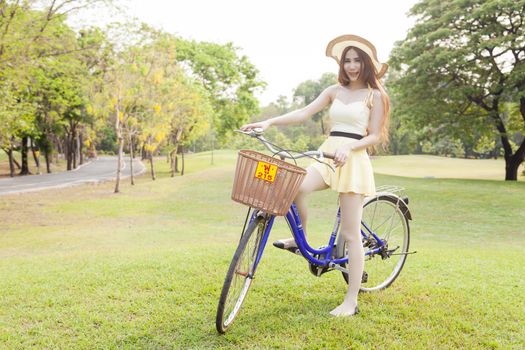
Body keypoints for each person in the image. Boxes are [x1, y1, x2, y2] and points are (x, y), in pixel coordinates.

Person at [240, 34, 390, 317]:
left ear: (367, 64)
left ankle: (351, 300)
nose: (352, 65)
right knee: (294, 184)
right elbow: (303, 113)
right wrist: (268, 121)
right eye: (347, 60)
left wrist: (350, 146)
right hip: (327, 154)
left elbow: (373, 136)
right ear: (341, 63)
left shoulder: (376, 95)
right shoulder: (334, 90)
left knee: (350, 232)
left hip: (353, 158)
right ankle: (301, 238)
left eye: (358, 60)